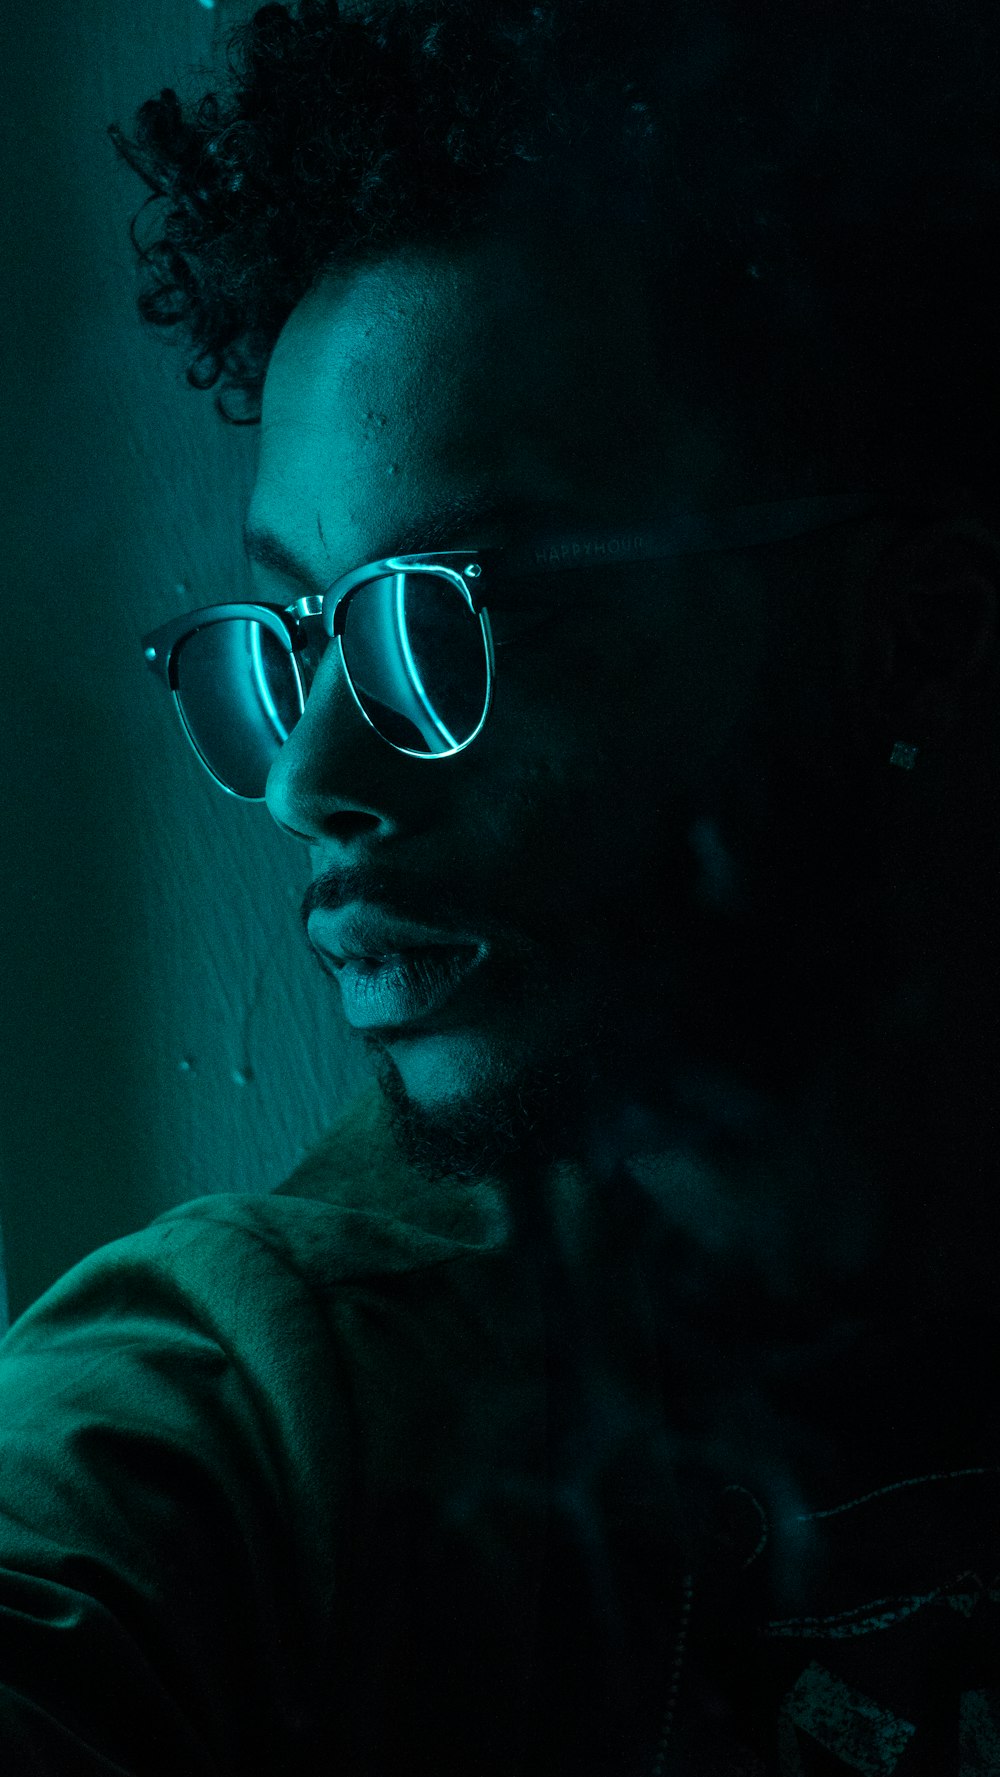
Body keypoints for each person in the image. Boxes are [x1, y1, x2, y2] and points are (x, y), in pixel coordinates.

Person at [3, 0, 1000, 1769]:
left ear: (917, 639)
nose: (309, 780)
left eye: (445, 612)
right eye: (297, 631)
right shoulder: (264, 1398)